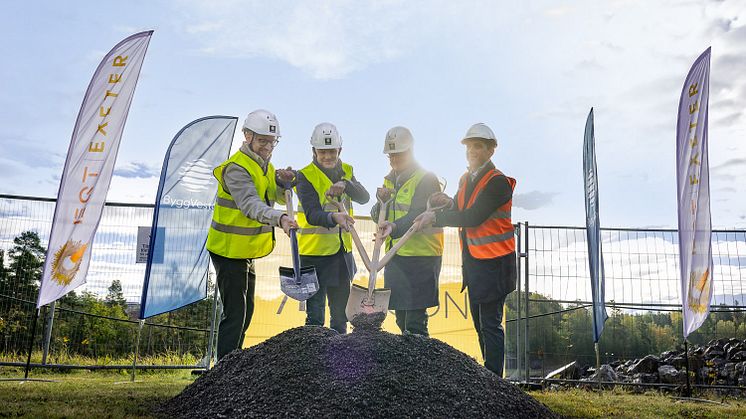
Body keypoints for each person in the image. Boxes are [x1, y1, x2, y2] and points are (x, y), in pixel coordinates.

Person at [415, 122, 517, 375]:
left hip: (496, 263)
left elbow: (473, 217)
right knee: (479, 323)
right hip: (475, 263)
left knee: (490, 323)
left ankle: (494, 379)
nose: (472, 150)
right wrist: (447, 203)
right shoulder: (465, 178)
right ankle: (488, 377)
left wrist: (435, 219)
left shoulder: (497, 182)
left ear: (491, 151)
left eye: (479, 146)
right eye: (470, 146)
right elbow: (460, 210)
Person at [206, 109, 297, 360]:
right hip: (227, 249)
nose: (268, 147)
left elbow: (273, 195)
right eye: (262, 141)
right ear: (247, 136)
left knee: (247, 312)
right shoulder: (236, 169)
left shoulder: (266, 166)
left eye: (272, 141)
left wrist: (285, 183)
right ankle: (224, 369)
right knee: (235, 313)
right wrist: (280, 219)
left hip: (244, 250)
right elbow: (251, 205)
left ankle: (235, 364)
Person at [295, 122, 370, 334]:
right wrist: (334, 217)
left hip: (340, 255)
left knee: (340, 317)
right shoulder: (304, 176)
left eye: (332, 152)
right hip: (313, 254)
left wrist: (346, 184)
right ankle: (313, 362)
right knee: (315, 318)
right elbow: (311, 214)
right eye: (323, 152)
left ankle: (339, 363)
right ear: (314, 151)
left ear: (340, 151)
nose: (328, 156)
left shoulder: (347, 171)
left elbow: (364, 198)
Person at [373, 126, 443, 336]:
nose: (394, 159)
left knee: (414, 323)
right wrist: (380, 205)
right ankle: (410, 364)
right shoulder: (390, 179)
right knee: (401, 319)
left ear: (410, 151)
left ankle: (422, 364)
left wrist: (393, 227)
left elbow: (417, 212)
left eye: (399, 154)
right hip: (396, 255)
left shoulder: (426, 178)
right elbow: (378, 214)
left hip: (421, 258)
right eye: (391, 155)